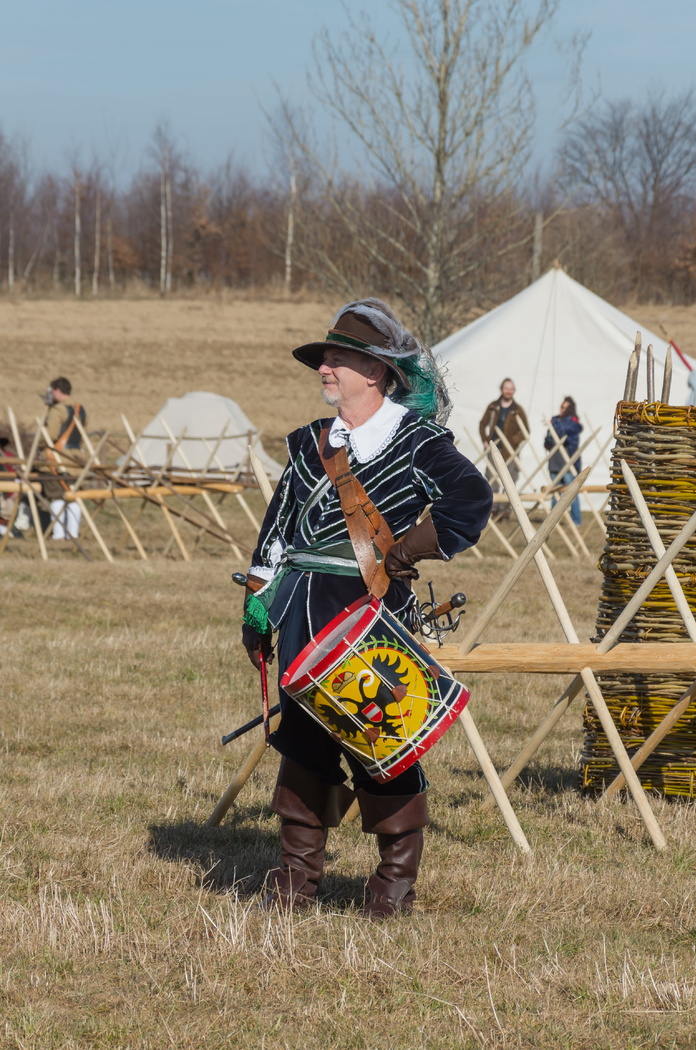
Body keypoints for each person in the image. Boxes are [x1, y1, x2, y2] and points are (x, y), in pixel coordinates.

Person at [241, 298, 492, 918]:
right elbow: (276, 532)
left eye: (338, 358)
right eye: (324, 358)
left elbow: (470, 498)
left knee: (382, 739)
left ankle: (392, 891)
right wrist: (256, 605)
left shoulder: (416, 442)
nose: (324, 368)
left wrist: (405, 553)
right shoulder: (308, 444)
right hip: (300, 609)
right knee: (303, 744)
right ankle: (295, 884)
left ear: (376, 371)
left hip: (370, 615)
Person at [40, 377, 87, 540]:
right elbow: (82, 434)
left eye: (52, 391)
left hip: (57, 458)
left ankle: (59, 535)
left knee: (56, 495)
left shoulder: (57, 410)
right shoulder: (81, 410)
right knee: (73, 497)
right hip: (76, 460)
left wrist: (38, 442)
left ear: (58, 391)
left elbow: (50, 435)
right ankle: (72, 534)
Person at [478, 379, 529, 495]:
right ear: (502, 389)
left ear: (514, 391)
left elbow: (526, 431)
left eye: (511, 389)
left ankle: (505, 509)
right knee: (492, 478)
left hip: (511, 451)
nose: (508, 391)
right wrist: (485, 440)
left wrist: (513, 441)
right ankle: (493, 508)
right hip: (494, 447)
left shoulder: (517, 410)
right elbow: (482, 424)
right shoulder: (493, 407)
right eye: (506, 389)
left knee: (510, 479)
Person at [544, 397, 583, 526]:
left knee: (571, 493)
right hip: (555, 461)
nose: (562, 410)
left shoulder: (573, 422)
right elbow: (548, 441)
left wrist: (552, 423)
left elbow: (565, 431)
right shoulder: (555, 420)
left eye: (566, 408)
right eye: (562, 407)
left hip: (567, 462)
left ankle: (576, 520)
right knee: (555, 493)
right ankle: (553, 521)